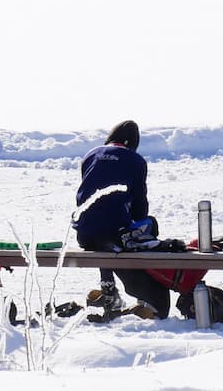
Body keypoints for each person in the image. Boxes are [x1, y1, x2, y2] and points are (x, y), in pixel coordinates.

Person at [73, 120, 172, 318]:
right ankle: (146, 295)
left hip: (84, 233)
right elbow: (139, 206)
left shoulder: (90, 155)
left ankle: (108, 288)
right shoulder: (135, 160)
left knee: (102, 235)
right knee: (148, 224)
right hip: (117, 234)